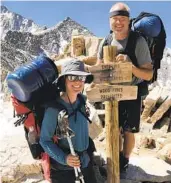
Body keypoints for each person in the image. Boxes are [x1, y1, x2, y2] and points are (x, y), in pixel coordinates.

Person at [97, 2, 153, 173]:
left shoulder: (138, 41)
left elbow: (148, 74)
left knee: (128, 131)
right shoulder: (106, 41)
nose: (118, 22)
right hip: (112, 93)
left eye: (122, 19)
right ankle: (115, 158)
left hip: (131, 91)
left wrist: (131, 66)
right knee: (114, 127)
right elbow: (99, 66)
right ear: (109, 21)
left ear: (128, 21)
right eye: (115, 19)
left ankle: (125, 159)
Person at [40, 59, 97, 183]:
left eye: (81, 77)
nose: (77, 82)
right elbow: (44, 140)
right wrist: (65, 158)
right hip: (64, 170)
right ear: (64, 80)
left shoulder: (82, 101)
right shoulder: (54, 109)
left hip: (85, 162)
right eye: (72, 77)